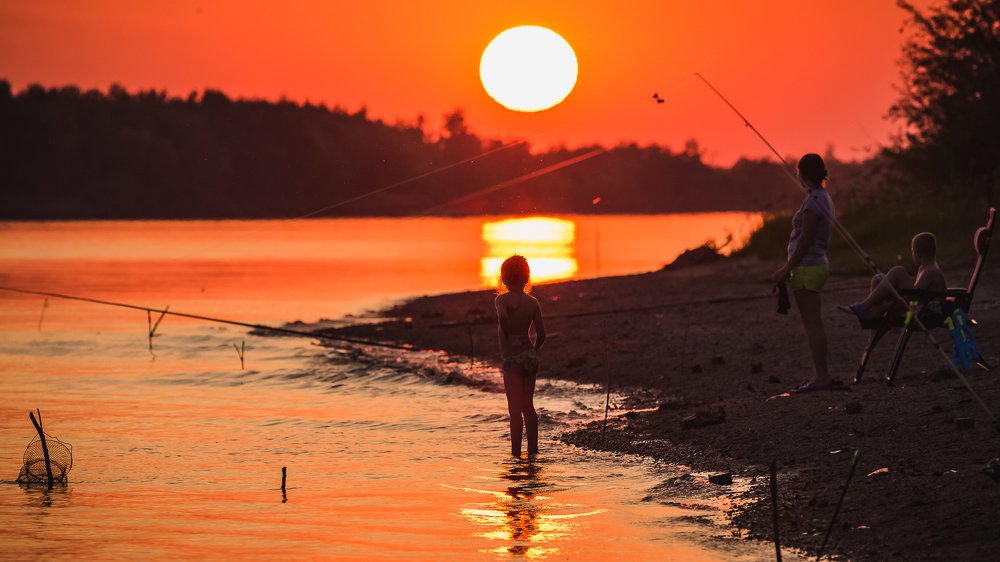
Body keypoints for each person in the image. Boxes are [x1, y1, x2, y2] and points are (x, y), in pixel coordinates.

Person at [772, 153, 836, 392]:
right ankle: (821, 375)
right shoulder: (822, 197)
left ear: (802, 174)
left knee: (812, 324)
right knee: (814, 322)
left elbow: (806, 239)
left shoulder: (813, 202)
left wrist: (786, 269)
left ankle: (822, 377)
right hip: (814, 265)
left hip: (808, 267)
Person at [495, 255, 546, 457]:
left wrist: (508, 335)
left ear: (504, 279)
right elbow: (542, 334)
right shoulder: (533, 303)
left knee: (514, 410)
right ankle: (533, 451)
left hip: (512, 359)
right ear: (527, 278)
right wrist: (534, 351)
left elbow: (503, 316)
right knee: (528, 406)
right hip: (529, 357)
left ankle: (515, 454)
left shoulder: (501, 300)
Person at [839, 232, 946, 323]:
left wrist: (882, 309)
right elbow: (915, 295)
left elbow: (913, 298)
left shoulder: (931, 271)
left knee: (898, 270)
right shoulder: (925, 268)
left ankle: (864, 308)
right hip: (917, 306)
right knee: (879, 278)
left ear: (916, 253)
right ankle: (871, 331)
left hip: (927, 312)